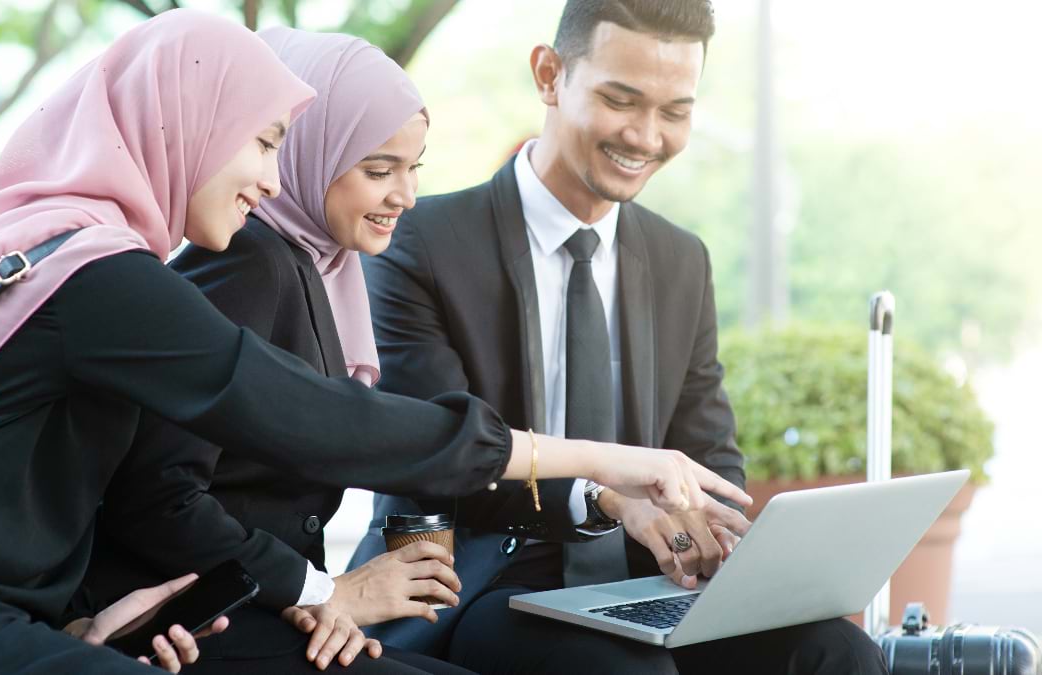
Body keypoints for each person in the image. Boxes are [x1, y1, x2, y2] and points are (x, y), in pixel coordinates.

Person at [0, 9, 747, 674]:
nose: (275, 180)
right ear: (183, 125)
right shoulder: (99, 274)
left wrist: (84, 616)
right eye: (263, 142)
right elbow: (313, 417)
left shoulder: (85, 255)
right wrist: (605, 461)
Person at [349, 1, 889, 673]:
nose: (645, 136)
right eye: (621, 100)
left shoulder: (680, 259)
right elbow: (441, 457)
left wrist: (715, 526)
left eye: (675, 111)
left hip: (650, 582)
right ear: (549, 75)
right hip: (488, 583)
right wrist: (605, 497)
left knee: (838, 652)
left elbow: (708, 449)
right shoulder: (422, 244)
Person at [77, 27, 464, 674]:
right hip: (190, 622)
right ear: (310, 152)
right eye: (378, 170)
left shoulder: (319, 266)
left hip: (264, 608)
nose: (406, 195)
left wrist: (318, 602)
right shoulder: (248, 260)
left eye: (413, 167)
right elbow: (159, 493)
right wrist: (321, 592)